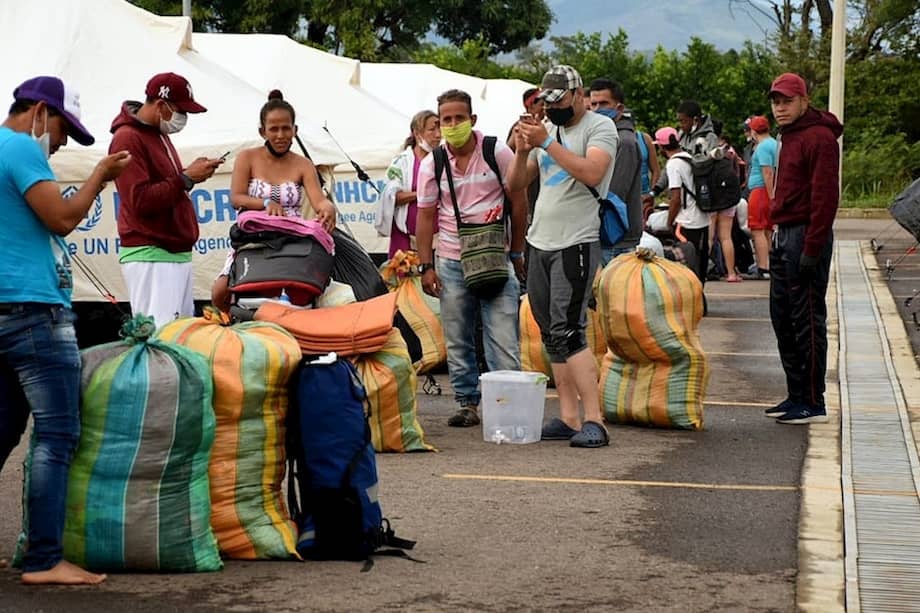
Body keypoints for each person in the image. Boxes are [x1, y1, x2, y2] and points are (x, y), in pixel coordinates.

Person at [0, 76, 131, 585]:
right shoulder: (20, 149)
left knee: (3, 430)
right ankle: (45, 560)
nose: (59, 144)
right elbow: (61, 218)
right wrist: (99, 175)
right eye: (61, 130)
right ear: (39, 112)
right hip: (34, 312)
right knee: (57, 435)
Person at [508, 65, 618, 448]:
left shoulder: (599, 127)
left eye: (558, 101)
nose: (552, 108)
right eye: (547, 102)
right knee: (550, 332)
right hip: (540, 241)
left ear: (578, 95)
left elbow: (592, 172)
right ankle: (569, 417)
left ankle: (595, 420)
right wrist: (522, 151)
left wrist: (545, 143)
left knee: (570, 330)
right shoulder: (547, 131)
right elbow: (516, 184)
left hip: (577, 241)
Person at [416, 89, 526, 428]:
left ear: (472, 119)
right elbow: (425, 216)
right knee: (457, 336)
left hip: (496, 258)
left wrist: (517, 251)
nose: (452, 125)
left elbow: (519, 202)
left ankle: (508, 406)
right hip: (451, 259)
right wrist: (426, 265)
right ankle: (468, 403)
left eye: (458, 118)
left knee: (503, 335)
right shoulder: (433, 163)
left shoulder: (497, 152)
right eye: (446, 120)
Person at [110, 72, 221, 327]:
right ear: (161, 105)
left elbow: (167, 187)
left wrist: (189, 175)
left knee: (179, 336)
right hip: (152, 254)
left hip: (172, 253)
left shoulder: (158, 133)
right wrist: (186, 178)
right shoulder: (127, 138)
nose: (184, 118)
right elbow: (139, 200)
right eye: (181, 111)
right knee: (161, 338)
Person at [211, 90, 338, 311]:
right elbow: (236, 198)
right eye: (274, 129)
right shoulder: (247, 158)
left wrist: (328, 208)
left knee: (321, 292)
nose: (280, 135)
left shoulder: (304, 164)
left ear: (295, 130)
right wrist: (265, 203)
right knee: (220, 291)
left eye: (286, 128)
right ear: (263, 131)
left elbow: (319, 201)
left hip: (294, 240)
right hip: (253, 239)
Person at [764, 73, 842, 425]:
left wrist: (812, 247)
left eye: (787, 101)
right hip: (783, 233)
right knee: (782, 317)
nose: (780, 108)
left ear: (804, 101)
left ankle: (813, 400)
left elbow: (825, 197)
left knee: (806, 319)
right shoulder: (788, 135)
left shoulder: (819, 137)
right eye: (776, 102)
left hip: (805, 235)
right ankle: (795, 394)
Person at [589, 78, 642, 263]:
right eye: (593, 104)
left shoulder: (624, 142)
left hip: (615, 235)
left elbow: (614, 193)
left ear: (619, 108)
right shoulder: (604, 137)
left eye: (604, 103)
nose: (597, 109)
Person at [377, 109, 441, 259]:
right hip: (404, 237)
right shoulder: (401, 163)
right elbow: (391, 196)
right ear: (417, 133)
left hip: (440, 240)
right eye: (432, 130)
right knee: (404, 273)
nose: (438, 135)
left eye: (440, 129)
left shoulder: (444, 160)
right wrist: (422, 194)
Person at [654, 127, 711, 289]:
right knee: (700, 260)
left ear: (661, 147)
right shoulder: (689, 158)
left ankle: (692, 294)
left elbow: (676, 199)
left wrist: (669, 222)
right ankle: (700, 293)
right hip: (702, 218)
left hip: (685, 221)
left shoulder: (673, 164)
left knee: (687, 264)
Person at [744, 115, 777, 280]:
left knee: (757, 229)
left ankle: (763, 266)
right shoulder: (775, 144)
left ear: (753, 131)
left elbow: (767, 172)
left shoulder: (762, 147)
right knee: (767, 230)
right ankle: (770, 265)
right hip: (767, 191)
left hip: (760, 191)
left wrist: (771, 196)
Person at [709, 119, 742, 282]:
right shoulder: (730, 152)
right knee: (726, 237)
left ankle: (704, 270)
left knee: (709, 237)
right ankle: (731, 273)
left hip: (711, 198)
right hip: (729, 197)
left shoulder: (705, 149)